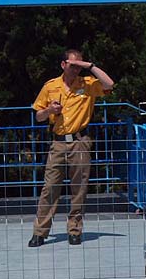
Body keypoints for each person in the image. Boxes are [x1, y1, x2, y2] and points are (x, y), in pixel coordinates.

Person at [28, 49, 115, 248]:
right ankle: (40, 231)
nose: (76, 69)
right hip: (58, 142)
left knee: (79, 188)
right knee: (50, 187)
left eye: (79, 65)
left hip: (80, 141)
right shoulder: (50, 86)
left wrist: (90, 67)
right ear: (63, 64)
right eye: (72, 65)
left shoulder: (88, 84)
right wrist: (50, 110)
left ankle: (74, 229)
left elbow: (109, 84)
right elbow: (38, 116)